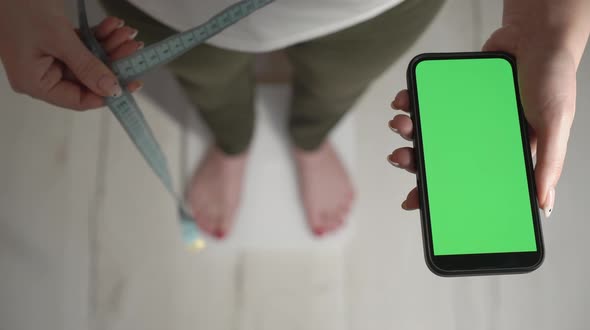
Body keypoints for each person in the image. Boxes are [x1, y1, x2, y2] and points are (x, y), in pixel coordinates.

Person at [0, 0, 587, 239]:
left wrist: (551, 26)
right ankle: (232, 145)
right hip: (168, 2)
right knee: (204, 78)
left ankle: (310, 140)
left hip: (372, 6)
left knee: (340, 82)